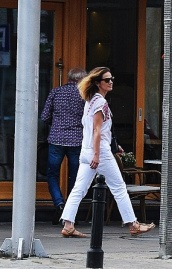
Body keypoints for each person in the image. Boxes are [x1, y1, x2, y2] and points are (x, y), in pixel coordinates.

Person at [59, 67, 155, 238]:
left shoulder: (89, 101)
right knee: (118, 187)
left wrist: (111, 146)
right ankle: (133, 224)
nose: (111, 82)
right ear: (97, 83)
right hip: (99, 152)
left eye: (111, 79)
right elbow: (97, 130)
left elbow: (98, 130)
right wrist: (98, 154)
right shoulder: (100, 103)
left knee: (79, 188)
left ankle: (68, 224)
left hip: (87, 150)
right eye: (106, 80)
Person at [40, 67, 87, 213]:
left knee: (52, 174)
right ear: (81, 79)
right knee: (76, 176)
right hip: (77, 140)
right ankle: (71, 208)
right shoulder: (85, 95)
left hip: (56, 139)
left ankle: (59, 202)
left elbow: (45, 116)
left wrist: (56, 124)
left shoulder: (56, 92)